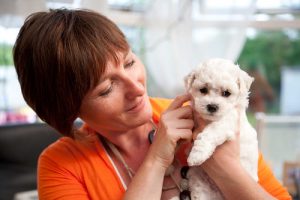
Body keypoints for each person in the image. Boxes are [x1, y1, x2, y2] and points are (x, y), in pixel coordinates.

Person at [13, 9, 291, 200]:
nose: (137, 88)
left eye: (130, 62)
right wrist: (157, 159)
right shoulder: (60, 164)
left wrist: (223, 167)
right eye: (107, 88)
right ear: (68, 108)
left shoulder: (202, 114)